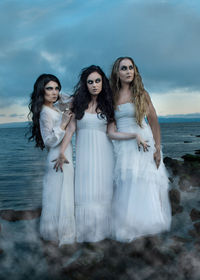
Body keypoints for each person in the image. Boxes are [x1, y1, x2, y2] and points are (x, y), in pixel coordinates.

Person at [53, 65, 149, 243]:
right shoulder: (78, 104)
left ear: (103, 83)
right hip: (84, 155)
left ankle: (105, 233)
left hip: (105, 154)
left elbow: (112, 133)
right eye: (90, 82)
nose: (94, 85)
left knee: (104, 191)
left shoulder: (108, 105)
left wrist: (134, 135)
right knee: (85, 192)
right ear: (85, 85)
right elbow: (71, 129)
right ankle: (86, 234)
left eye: (97, 81)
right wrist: (61, 151)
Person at [108, 57, 171, 242]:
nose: (128, 71)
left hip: (146, 141)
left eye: (131, 68)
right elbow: (111, 127)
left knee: (147, 183)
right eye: (124, 68)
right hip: (125, 144)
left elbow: (154, 122)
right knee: (129, 183)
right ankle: (130, 226)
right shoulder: (111, 96)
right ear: (117, 73)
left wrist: (158, 148)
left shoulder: (142, 93)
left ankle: (149, 226)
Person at [28, 74, 75, 246]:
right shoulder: (45, 113)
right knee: (56, 195)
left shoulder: (55, 108)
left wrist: (60, 98)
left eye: (56, 88)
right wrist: (62, 124)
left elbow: (72, 99)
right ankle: (55, 233)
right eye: (49, 88)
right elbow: (48, 141)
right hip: (56, 156)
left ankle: (64, 231)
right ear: (41, 90)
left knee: (65, 193)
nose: (54, 92)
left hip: (65, 154)